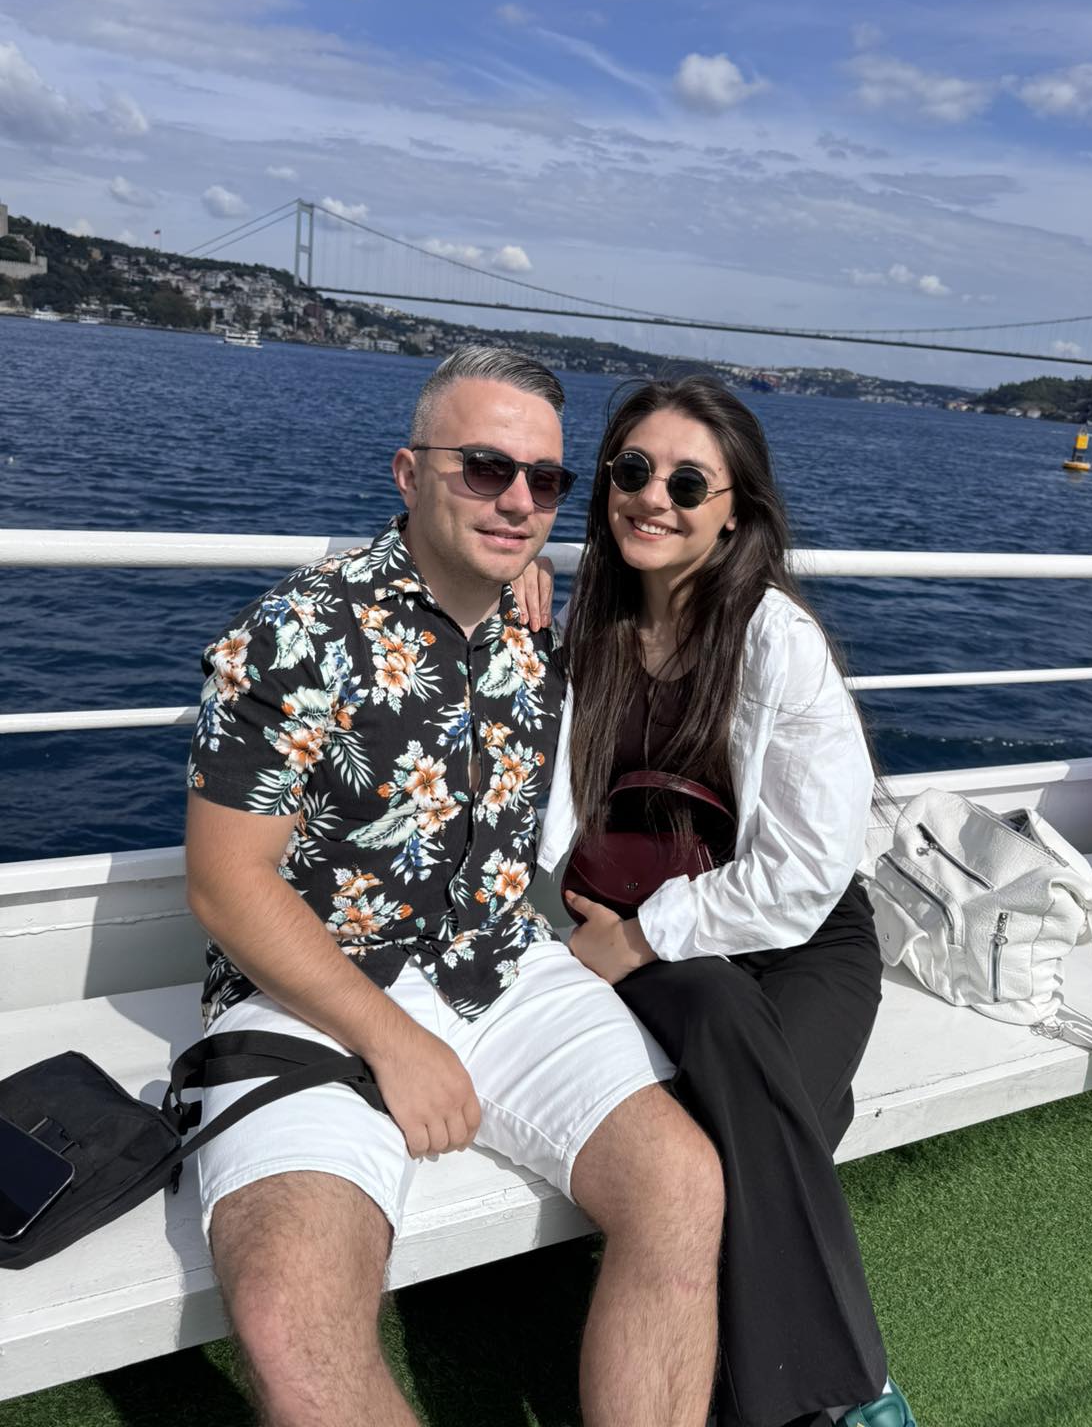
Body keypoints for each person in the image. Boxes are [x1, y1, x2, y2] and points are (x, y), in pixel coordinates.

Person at [183, 345, 725, 1427]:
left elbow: (692, 598)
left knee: (683, 1186)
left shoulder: (539, 629)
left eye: (545, 480)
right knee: (292, 1318)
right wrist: (392, 1039)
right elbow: (226, 882)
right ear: (408, 472)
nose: (518, 500)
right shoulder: (299, 632)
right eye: (484, 468)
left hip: (501, 961)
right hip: (310, 992)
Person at [535, 375, 918, 1427]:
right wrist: (514, 592)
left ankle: (783, 1397)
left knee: (730, 1125)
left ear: (734, 512)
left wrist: (643, 936)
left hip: (800, 939)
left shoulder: (773, 638)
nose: (652, 497)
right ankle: (844, 1396)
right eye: (632, 469)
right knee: (748, 1075)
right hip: (642, 936)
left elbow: (804, 873)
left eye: (688, 482)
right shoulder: (587, 627)